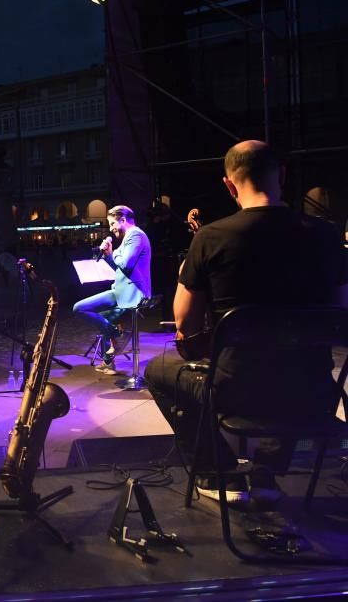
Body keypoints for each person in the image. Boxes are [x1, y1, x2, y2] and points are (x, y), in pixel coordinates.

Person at [144, 140, 348, 508]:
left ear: (229, 184)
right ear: (282, 176)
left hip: (236, 397)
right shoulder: (326, 235)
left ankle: (214, 470)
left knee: (158, 369)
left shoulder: (211, 238)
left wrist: (185, 276)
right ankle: (266, 469)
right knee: (283, 367)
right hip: (314, 394)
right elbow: (341, 313)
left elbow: (184, 325)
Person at [73, 205, 152, 375]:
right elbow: (120, 267)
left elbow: (126, 264)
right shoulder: (129, 238)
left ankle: (115, 342)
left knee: (96, 315)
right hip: (121, 291)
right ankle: (113, 347)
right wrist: (109, 255)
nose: (111, 229)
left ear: (123, 220)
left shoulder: (136, 235)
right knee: (85, 310)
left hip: (133, 293)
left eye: (112, 224)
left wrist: (112, 252)